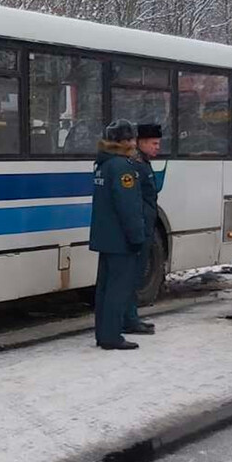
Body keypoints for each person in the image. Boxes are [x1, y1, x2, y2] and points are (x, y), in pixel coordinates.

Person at [90, 119, 147, 350]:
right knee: (117, 290)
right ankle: (112, 336)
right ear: (123, 142)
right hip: (120, 240)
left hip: (104, 238)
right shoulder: (123, 167)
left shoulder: (102, 164)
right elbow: (129, 207)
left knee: (104, 289)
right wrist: (137, 237)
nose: (134, 143)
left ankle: (103, 333)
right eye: (131, 139)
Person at [122, 122, 163, 336]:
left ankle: (132, 317)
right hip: (141, 226)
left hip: (146, 225)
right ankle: (128, 319)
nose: (158, 147)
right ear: (142, 142)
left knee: (136, 276)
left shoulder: (143, 162)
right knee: (131, 276)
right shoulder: (135, 164)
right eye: (154, 143)